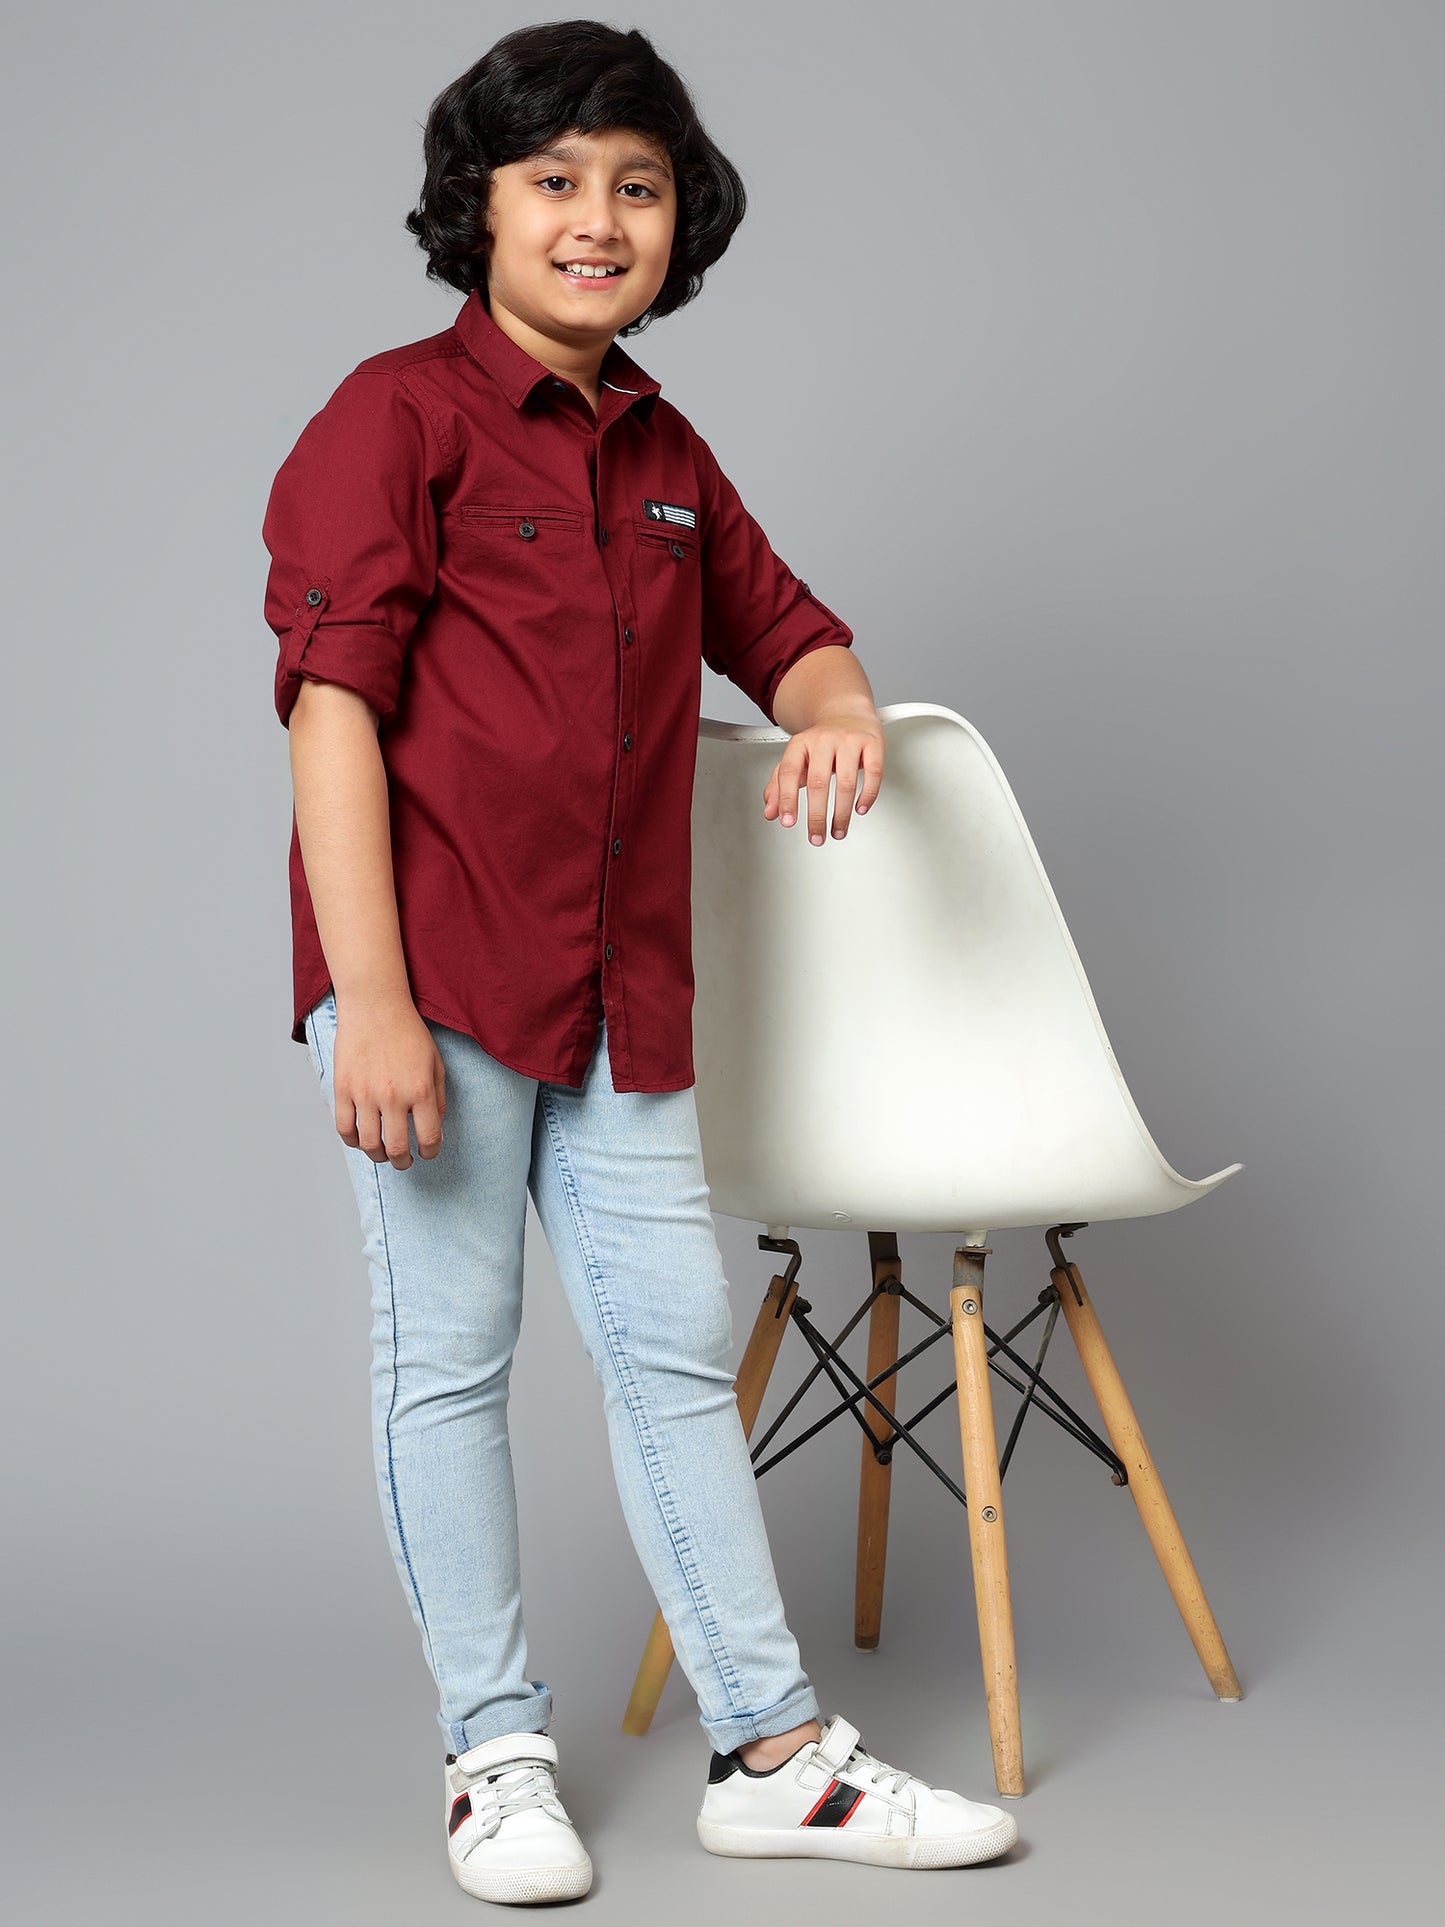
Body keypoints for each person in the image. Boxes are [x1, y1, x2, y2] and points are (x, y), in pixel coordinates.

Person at [262, 17, 1018, 1906]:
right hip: (435, 981)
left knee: (675, 1356)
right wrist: (369, 1001)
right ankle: (493, 1760)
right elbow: (331, 714)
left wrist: (835, 710)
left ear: (683, 221)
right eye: (555, 181)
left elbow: (793, 632)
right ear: (480, 206)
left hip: (624, 994)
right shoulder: (390, 418)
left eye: (638, 185)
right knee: (448, 1366)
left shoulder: (669, 450)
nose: (597, 219)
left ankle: (770, 1754)